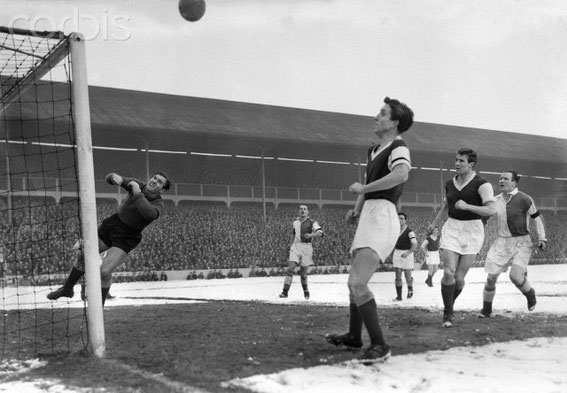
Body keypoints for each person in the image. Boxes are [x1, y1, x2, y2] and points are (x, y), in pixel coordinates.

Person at [326, 97, 414, 364]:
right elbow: (370, 182)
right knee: (352, 281)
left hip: (383, 216)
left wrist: (363, 191)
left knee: (357, 282)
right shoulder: (374, 149)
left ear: (394, 122)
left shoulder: (399, 147)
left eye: (382, 113)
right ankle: (354, 336)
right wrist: (357, 207)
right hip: (369, 215)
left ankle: (380, 345)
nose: (376, 117)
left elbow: (400, 176)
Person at [47, 171, 170, 305]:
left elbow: (149, 214)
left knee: (104, 271)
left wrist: (137, 192)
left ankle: (99, 305)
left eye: (159, 182)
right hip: (113, 224)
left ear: (162, 190)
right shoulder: (138, 184)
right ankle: (67, 288)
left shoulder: (158, 204)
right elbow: (113, 178)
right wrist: (113, 178)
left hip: (128, 236)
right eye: (154, 178)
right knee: (84, 255)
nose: (154, 181)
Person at [428, 148, 496, 327]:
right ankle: (448, 314)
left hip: (473, 229)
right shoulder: (450, 183)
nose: (457, 164)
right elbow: (446, 205)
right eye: (456, 160)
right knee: (448, 272)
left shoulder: (483, 184)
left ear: (471, 164)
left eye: (461, 161)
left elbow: (491, 210)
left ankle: (449, 305)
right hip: (452, 227)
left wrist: (468, 206)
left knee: (458, 278)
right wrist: (435, 222)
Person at [478, 170, 546, 318]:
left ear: (514, 183)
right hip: (501, 242)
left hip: (522, 242)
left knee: (515, 276)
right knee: (490, 279)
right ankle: (486, 309)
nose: (502, 181)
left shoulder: (524, 199)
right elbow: (483, 220)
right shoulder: (494, 201)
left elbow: (537, 218)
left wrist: (542, 238)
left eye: (506, 179)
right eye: (500, 178)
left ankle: (530, 293)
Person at [279, 204, 323, 300]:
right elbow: (293, 233)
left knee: (303, 274)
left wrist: (311, 235)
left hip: (306, 247)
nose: (302, 211)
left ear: (308, 212)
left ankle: (306, 291)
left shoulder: (312, 222)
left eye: (304, 209)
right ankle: (285, 292)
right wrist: (290, 245)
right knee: (290, 269)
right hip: (295, 246)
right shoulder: (295, 222)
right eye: (301, 209)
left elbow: (320, 233)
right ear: (299, 211)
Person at [392, 212, 417, 300]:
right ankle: (399, 296)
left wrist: (408, 253)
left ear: (405, 220)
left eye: (402, 218)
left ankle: (410, 289)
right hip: (397, 252)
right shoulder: (394, 230)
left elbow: (414, 244)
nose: (400, 220)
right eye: (398, 218)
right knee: (398, 273)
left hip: (407, 253)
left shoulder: (409, 231)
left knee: (407, 276)